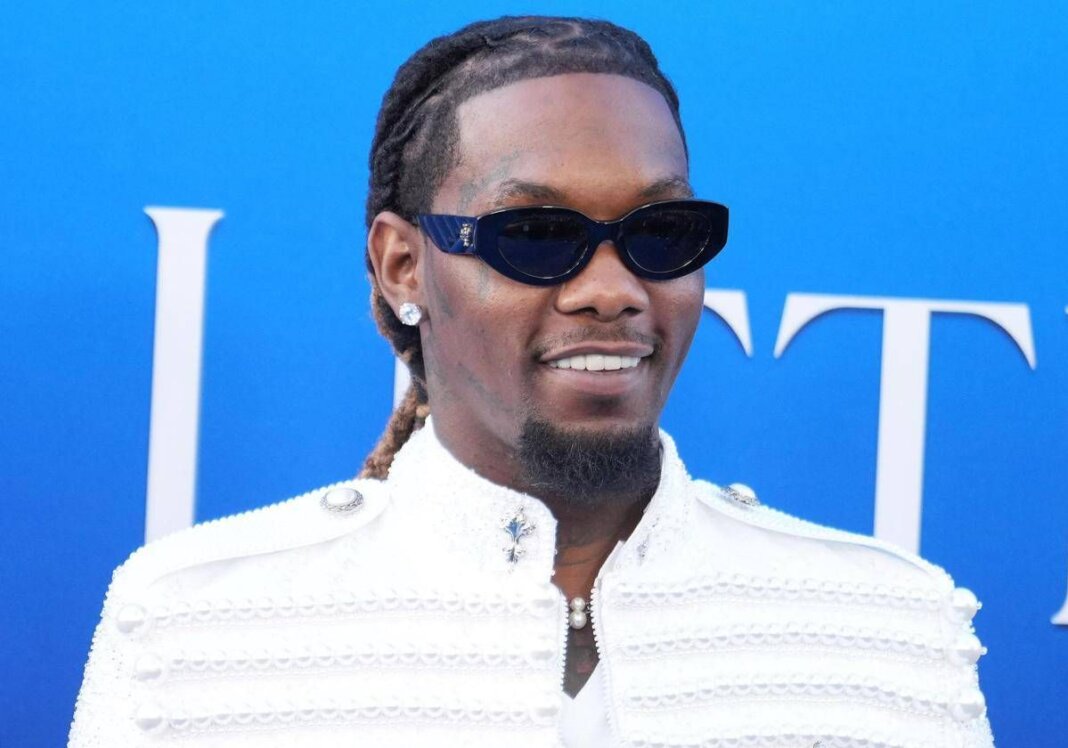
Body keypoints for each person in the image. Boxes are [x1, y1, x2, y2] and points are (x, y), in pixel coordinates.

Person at [69, 16, 993, 747]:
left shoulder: (890, 630)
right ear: (401, 265)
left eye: (662, 234)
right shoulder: (197, 629)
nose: (611, 291)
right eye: (538, 236)